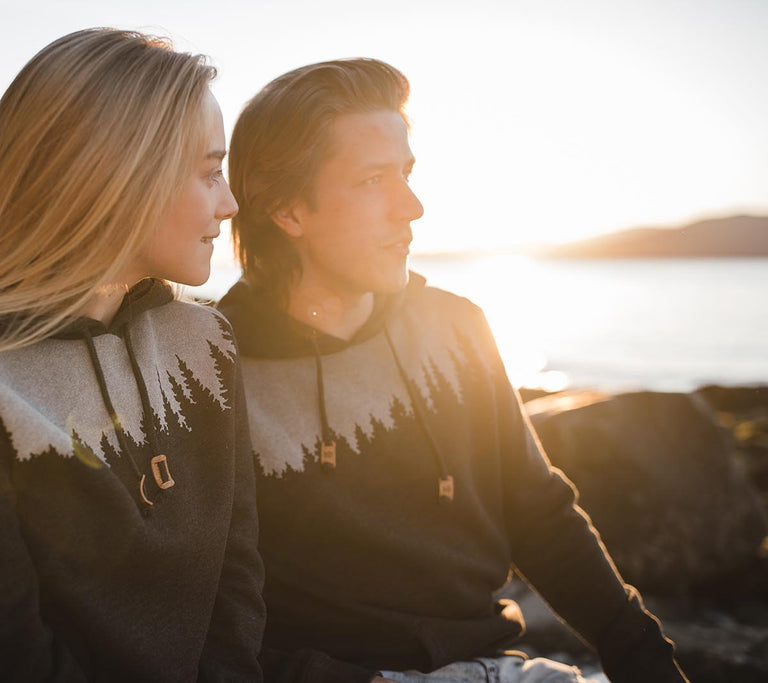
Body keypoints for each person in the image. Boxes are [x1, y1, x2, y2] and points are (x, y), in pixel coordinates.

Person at [218, 58, 687, 683]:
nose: (411, 206)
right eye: (374, 180)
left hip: (497, 668)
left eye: (407, 174)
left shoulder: (456, 327)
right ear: (288, 211)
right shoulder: (211, 372)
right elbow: (208, 600)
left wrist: (645, 660)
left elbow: (539, 513)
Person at [0, 29, 264, 682]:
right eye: (210, 172)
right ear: (117, 176)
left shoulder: (205, 342)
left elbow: (236, 580)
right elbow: (3, 656)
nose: (231, 204)